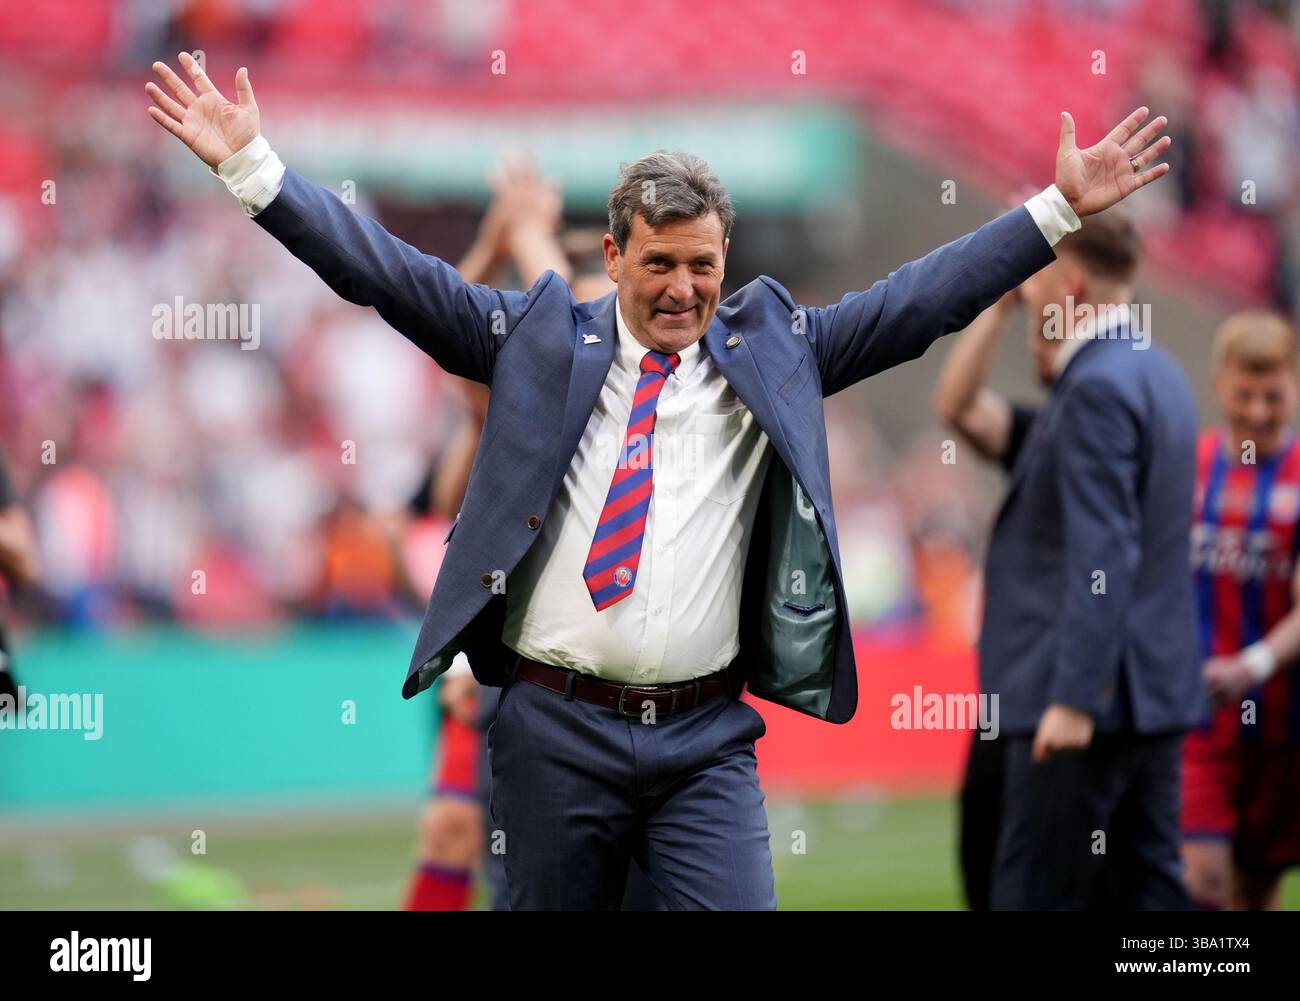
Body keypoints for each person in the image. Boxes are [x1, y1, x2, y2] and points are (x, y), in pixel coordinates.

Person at [146, 52, 1170, 909]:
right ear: (613, 252)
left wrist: (1051, 212)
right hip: (552, 730)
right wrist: (253, 166)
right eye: (660, 264)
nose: (684, 288)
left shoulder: (778, 347)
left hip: (703, 739)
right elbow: (383, 271)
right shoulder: (536, 337)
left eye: (703, 264)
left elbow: (920, 299)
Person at [967, 208, 1202, 909]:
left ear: (1068, 284)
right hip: (1151, 697)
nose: (1026, 290)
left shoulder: (1094, 386)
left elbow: (1104, 553)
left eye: (1034, 276)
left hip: (1084, 705)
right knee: (1151, 901)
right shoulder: (1162, 371)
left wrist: (1073, 698)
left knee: (1032, 896)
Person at [1182, 312, 1300, 911]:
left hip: (1284, 728)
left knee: (1255, 891)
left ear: (1295, 387)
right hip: (1197, 721)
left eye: (1273, 396)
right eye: (1244, 394)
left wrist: (1250, 667)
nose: (1257, 412)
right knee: (1202, 882)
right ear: (1219, 386)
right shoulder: (1188, 467)